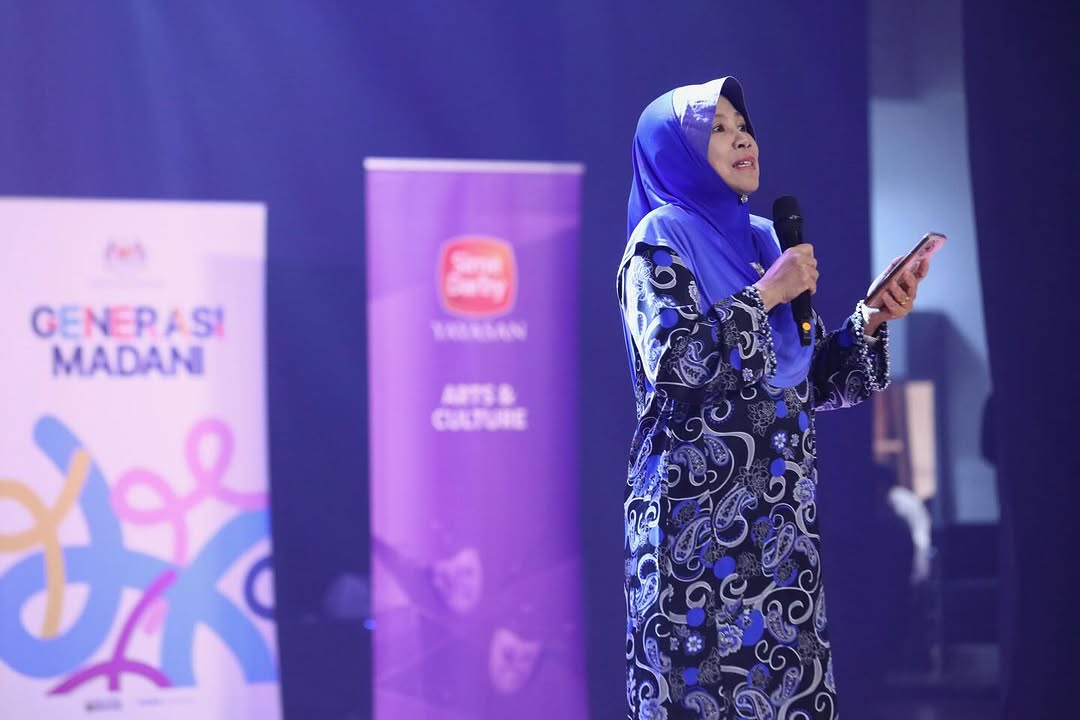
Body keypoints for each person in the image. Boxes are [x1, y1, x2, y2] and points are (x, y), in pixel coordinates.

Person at [617, 77, 930, 719]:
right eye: (718, 128)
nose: (742, 139)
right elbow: (677, 362)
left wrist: (872, 316)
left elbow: (806, 381)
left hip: (780, 538)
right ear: (677, 153)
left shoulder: (765, 240)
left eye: (743, 125)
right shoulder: (660, 238)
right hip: (694, 538)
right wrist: (767, 294)